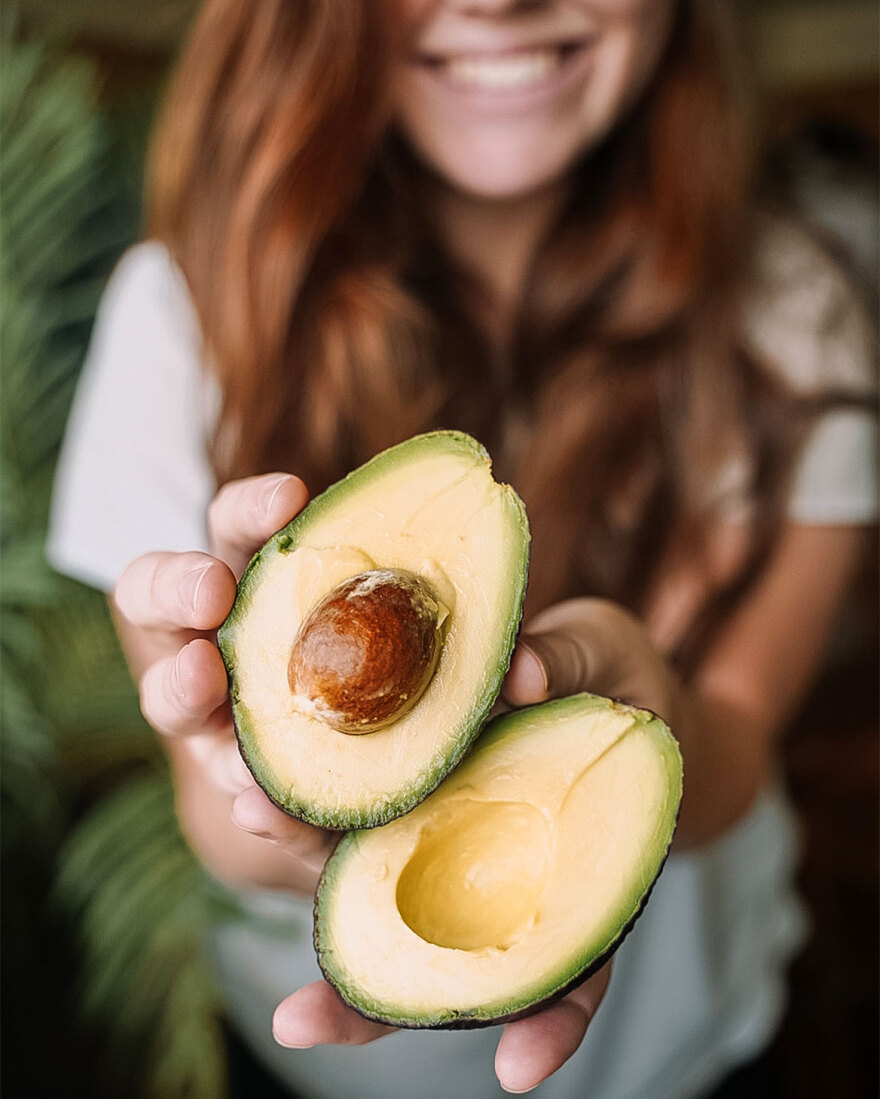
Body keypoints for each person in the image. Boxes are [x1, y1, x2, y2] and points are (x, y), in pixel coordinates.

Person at [48, 1, 877, 1096]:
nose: (497, 1)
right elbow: (225, 826)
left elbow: (732, 755)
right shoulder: (184, 312)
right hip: (314, 1064)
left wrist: (653, 705)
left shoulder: (796, 321)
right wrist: (252, 773)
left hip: (683, 1040)